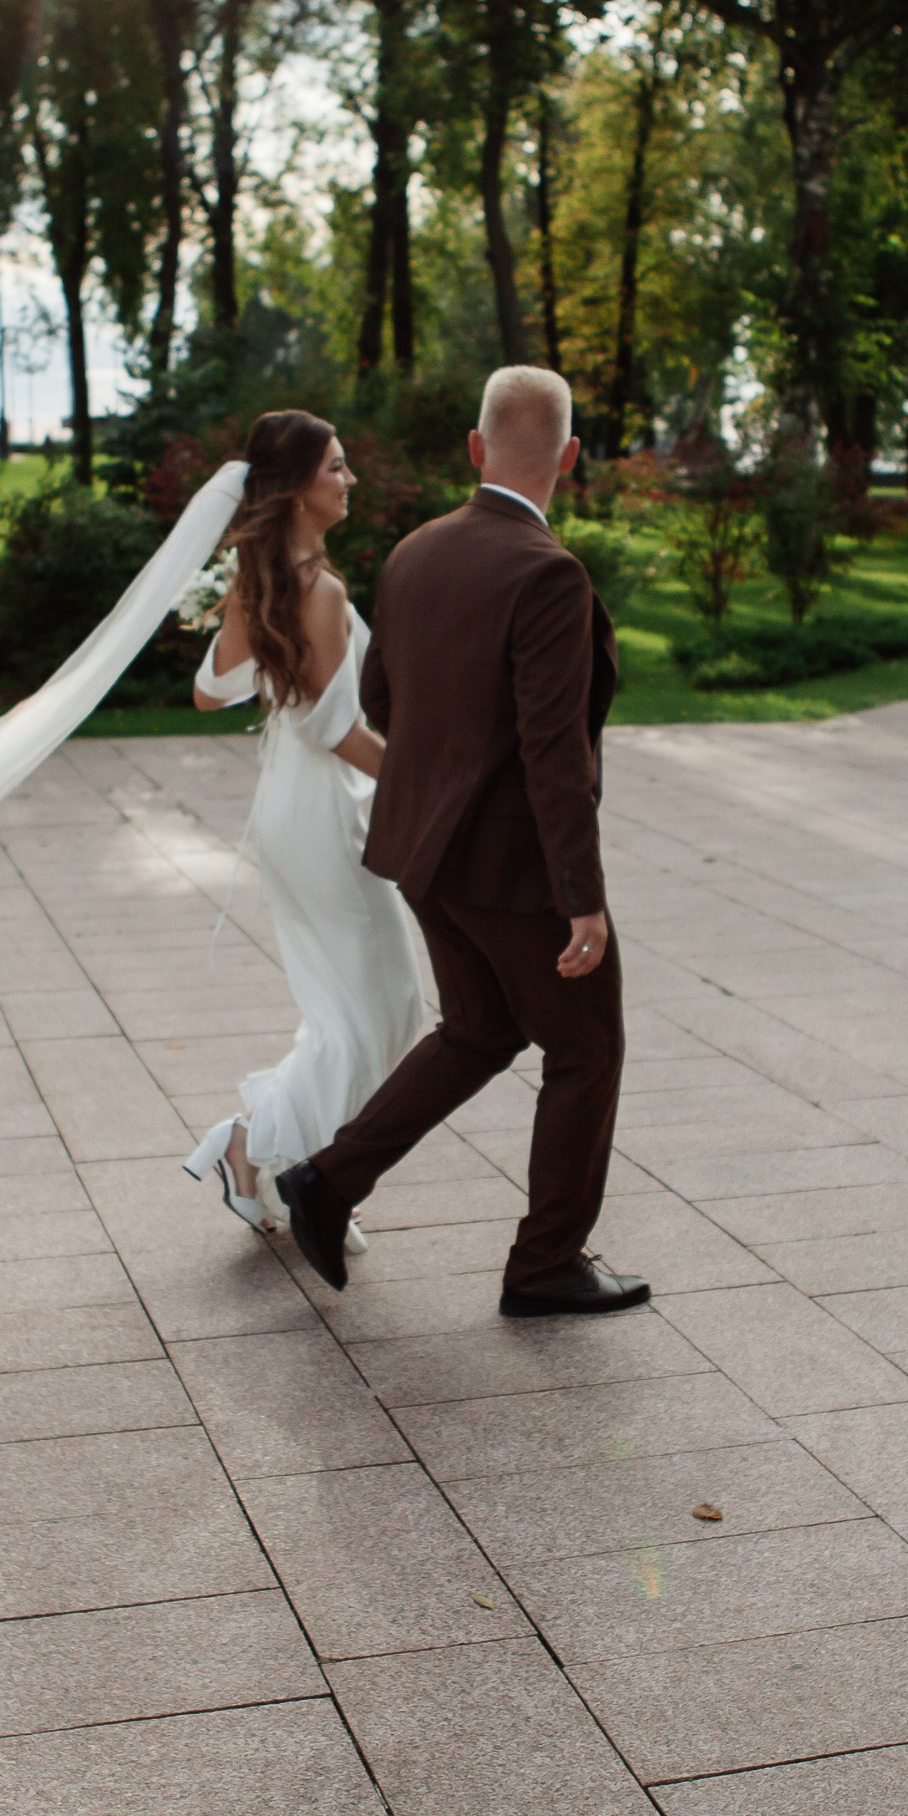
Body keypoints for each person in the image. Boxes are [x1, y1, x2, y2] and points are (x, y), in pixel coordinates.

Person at [276, 366, 650, 1322]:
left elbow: (387, 704)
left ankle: (327, 1179)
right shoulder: (547, 573)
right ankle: (544, 1264)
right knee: (587, 1048)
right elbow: (552, 757)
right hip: (507, 869)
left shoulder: (414, 551)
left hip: (419, 853)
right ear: (569, 457)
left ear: (476, 449)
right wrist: (583, 897)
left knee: (482, 1030)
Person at [181, 411, 426, 1235]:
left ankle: (290, 1161)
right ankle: (268, 1149)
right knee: (383, 1010)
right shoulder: (315, 588)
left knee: (365, 1011)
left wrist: (236, 616)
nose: (347, 479)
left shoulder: (264, 584)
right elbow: (333, 729)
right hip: (322, 814)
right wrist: (425, 782)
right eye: (335, 466)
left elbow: (211, 690)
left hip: (296, 807)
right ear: (294, 487)